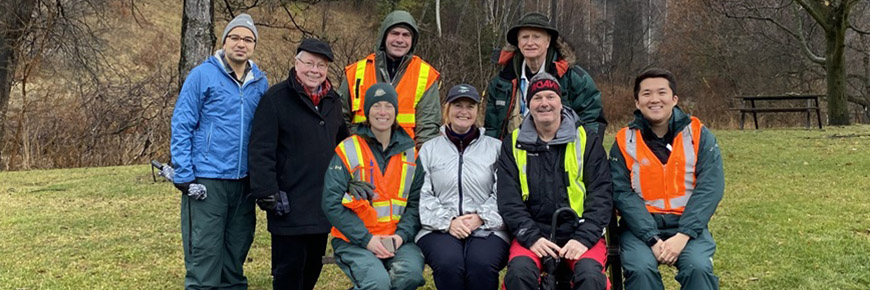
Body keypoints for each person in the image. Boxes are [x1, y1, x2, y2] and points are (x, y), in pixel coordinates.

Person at [170, 13, 267, 289]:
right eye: (235, 37)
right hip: (207, 179)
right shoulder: (202, 75)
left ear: (254, 46)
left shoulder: (260, 82)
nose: (241, 44)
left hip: (244, 182)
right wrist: (185, 175)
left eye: (248, 39)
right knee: (204, 250)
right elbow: (182, 123)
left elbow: (266, 134)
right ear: (224, 41)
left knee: (236, 249)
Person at [248, 38, 349, 290]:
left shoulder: (333, 101)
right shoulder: (276, 98)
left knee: (312, 266)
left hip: (321, 201)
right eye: (309, 63)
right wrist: (265, 190)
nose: (315, 70)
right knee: (288, 270)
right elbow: (261, 148)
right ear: (296, 63)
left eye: (321, 65)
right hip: (287, 202)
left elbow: (344, 145)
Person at [609, 68, 723, 290]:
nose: (654, 100)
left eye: (661, 92)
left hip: (688, 226)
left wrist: (684, 235)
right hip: (639, 228)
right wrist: (651, 238)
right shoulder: (624, 140)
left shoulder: (699, 135)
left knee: (698, 267)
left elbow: (710, 188)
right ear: (637, 101)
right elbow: (621, 193)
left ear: (674, 99)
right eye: (646, 94)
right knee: (640, 271)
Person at [497, 72, 613, 290]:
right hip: (534, 235)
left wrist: (583, 238)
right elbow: (508, 200)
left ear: (561, 102)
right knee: (519, 274)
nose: (544, 104)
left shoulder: (587, 139)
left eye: (550, 96)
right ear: (528, 104)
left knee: (591, 277)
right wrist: (531, 238)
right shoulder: (512, 143)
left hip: (580, 232)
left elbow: (601, 195)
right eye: (537, 98)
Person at [322, 83, 426, 290]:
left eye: (388, 106)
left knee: (410, 276)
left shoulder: (411, 153)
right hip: (355, 240)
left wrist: (400, 236)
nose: (382, 112)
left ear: (396, 112)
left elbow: (416, 204)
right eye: (376, 106)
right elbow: (331, 203)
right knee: (377, 284)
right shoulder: (348, 149)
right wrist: (366, 239)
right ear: (367, 112)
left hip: (397, 239)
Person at [415, 84, 509, 290]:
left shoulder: (496, 148)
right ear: (447, 109)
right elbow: (421, 194)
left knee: (481, 264)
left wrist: (481, 217)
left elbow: (505, 192)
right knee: (449, 264)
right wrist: (448, 221)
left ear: (478, 111)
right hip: (439, 228)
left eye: (470, 106)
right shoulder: (429, 149)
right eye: (458, 105)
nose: (464, 112)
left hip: (487, 227)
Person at [484, 12, 606, 140]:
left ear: (548, 41)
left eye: (536, 37)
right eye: (525, 37)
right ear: (518, 43)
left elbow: (593, 120)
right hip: (512, 154)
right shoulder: (502, 80)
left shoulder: (575, 78)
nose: (530, 43)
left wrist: (585, 152)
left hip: (559, 153)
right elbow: (492, 128)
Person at [338, 10, 441, 145]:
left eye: (406, 35)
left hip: (405, 159)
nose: (400, 40)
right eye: (394, 33)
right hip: (361, 159)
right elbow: (339, 118)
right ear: (384, 36)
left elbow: (427, 130)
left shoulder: (425, 75)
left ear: (413, 40)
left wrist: (420, 164)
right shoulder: (356, 72)